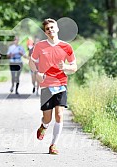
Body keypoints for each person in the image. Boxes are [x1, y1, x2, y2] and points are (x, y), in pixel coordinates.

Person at [29, 18, 77, 154]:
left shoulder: (66, 47)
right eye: (47, 29)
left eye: (52, 27)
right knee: (47, 118)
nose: (50, 30)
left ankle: (53, 145)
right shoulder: (40, 46)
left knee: (60, 115)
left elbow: (74, 67)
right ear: (45, 32)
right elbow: (31, 63)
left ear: (57, 28)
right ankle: (43, 126)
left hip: (61, 84)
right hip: (46, 85)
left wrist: (66, 67)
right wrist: (37, 73)